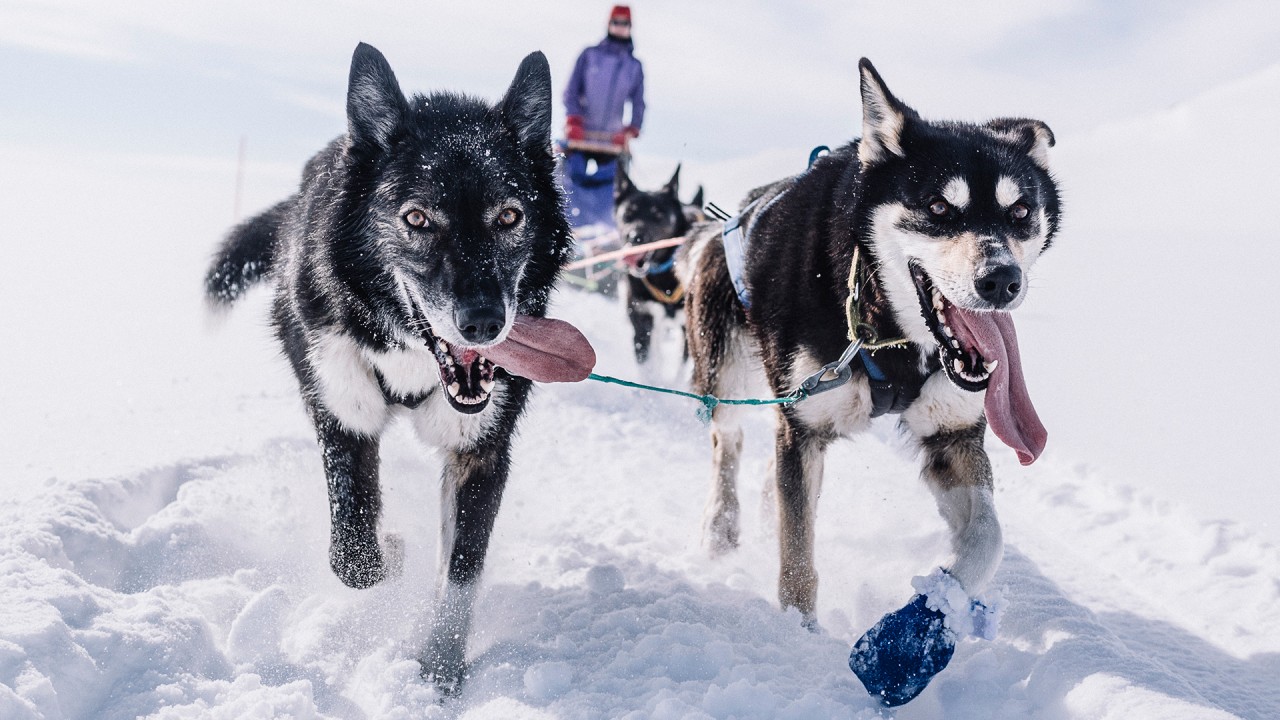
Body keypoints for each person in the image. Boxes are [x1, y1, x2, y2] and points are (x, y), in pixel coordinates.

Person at [564, 5, 645, 153]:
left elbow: (638, 102)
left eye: (624, 23)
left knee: (613, 169)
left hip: (613, 141)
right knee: (572, 166)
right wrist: (573, 119)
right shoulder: (589, 55)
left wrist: (632, 129)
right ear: (609, 24)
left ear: (630, 26)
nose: (620, 27)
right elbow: (571, 91)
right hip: (581, 135)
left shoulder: (634, 66)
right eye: (616, 22)